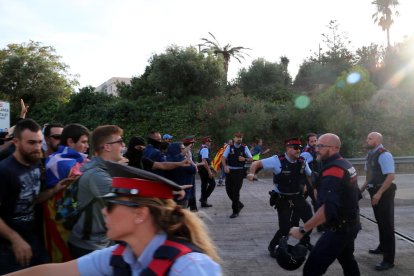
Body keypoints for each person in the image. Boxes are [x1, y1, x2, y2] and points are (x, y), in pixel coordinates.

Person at [5, 162, 222, 276]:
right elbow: (52, 272)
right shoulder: (121, 255)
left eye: (110, 205)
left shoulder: (189, 267)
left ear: (140, 214)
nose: (103, 212)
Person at [290, 133, 361, 276]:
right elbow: (355, 195)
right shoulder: (345, 164)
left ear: (334, 148)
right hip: (351, 224)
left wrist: (304, 230)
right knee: (347, 260)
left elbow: (327, 209)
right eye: (316, 146)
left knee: (312, 269)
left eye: (321, 146)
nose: (316, 149)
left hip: (339, 229)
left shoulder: (334, 170)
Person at [0, 119, 65, 274]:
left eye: (39, 142)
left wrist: (54, 190)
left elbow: (31, 198)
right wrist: (15, 239)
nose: (37, 148)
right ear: (16, 142)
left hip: (31, 238)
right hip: (6, 245)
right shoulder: (4, 171)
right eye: (31, 143)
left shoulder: (36, 163)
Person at [247, 138, 312, 257]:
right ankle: (273, 247)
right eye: (295, 148)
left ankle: (304, 243)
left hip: (298, 197)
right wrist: (252, 173)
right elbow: (256, 163)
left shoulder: (302, 161)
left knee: (310, 221)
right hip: (283, 199)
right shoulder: (277, 160)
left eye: (299, 148)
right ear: (288, 148)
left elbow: (309, 175)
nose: (298, 150)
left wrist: (309, 186)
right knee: (285, 228)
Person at [67, 125, 125, 258]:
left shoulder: (104, 170)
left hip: (101, 242)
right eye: (120, 142)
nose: (123, 145)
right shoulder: (97, 175)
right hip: (88, 246)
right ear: (107, 147)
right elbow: (129, 199)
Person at [43, 123, 90, 262]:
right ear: (70, 141)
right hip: (57, 217)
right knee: (60, 256)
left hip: (69, 215)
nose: (87, 146)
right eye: (84, 142)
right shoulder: (60, 162)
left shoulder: (77, 159)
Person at [361, 132, 396, 271]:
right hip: (374, 192)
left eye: (370, 138)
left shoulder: (384, 154)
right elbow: (369, 176)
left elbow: (391, 176)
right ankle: (382, 247)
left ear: (377, 140)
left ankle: (388, 260)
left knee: (387, 226)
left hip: (384, 193)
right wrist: (361, 189)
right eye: (367, 137)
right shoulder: (370, 154)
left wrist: (379, 193)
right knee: (380, 222)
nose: (367, 140)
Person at [222, 132, 252, 218]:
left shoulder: (244, 147)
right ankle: (239, 204)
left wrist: (245, 159)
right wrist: (225, 166)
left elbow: (251, 159)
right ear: (234, 138)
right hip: (230, 171)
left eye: (241, 137)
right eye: (237, 137)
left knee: (235, 192)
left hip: (239, 172)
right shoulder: (229, 147)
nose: (239, 139)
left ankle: (235, 211)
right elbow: (223, 158)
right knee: (228, 191)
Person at [300, 132, 322, 230]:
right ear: (308, 142)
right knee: (316, 202)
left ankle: (320, 225)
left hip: (315, 180)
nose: (314, 142)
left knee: (314, 202)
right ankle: (320, 226)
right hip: (309, 182)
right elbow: (301, 167)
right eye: (312, 141)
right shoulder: (306, 152)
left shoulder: (316, 150)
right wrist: (304, 183)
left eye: (315, 140)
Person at [165, 142, 197, 207]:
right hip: (182, 196)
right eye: (182, 149)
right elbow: (193, 169)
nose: (185, 150)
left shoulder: (167, 159)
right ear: (176, 149)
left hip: (172, 194)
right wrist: (188, 159)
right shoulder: (181, 161)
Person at [197, 136, 216, 208]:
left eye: (210, 141)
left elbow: (207, 161)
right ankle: (203, 199)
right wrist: (209, 171)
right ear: (205, 142)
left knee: (204, 185)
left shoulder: (203, 148)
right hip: (204, 170)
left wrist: (213, 169)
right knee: (212, 184)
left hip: (202, 170)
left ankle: (203, 202)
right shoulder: (205, 149)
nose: (210, 143)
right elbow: (204, 161)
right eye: (209, 141)